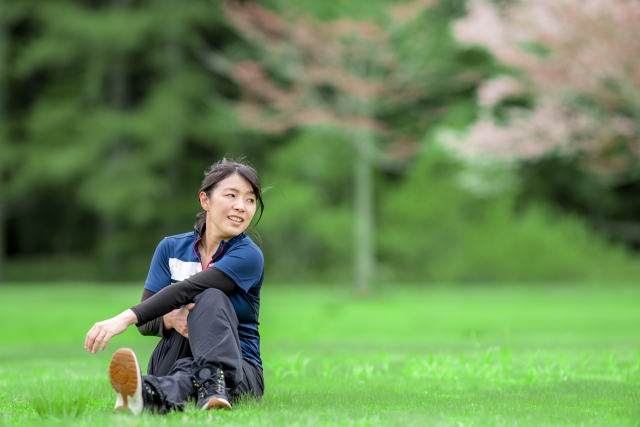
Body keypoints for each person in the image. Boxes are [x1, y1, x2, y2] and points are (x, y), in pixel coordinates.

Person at [84, 158, 265, 415]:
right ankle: (192, 388)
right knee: (190, 358)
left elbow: (189, 289)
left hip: (240, 368)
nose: (241, 206)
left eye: (250, 199)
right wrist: (172, 318)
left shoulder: (248, 255)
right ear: (205, 200)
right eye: (231, 195)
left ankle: (151, 391)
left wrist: (124, 318)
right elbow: (148, 323)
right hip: (175, 353)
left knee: (210, 296)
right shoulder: (170, 249)